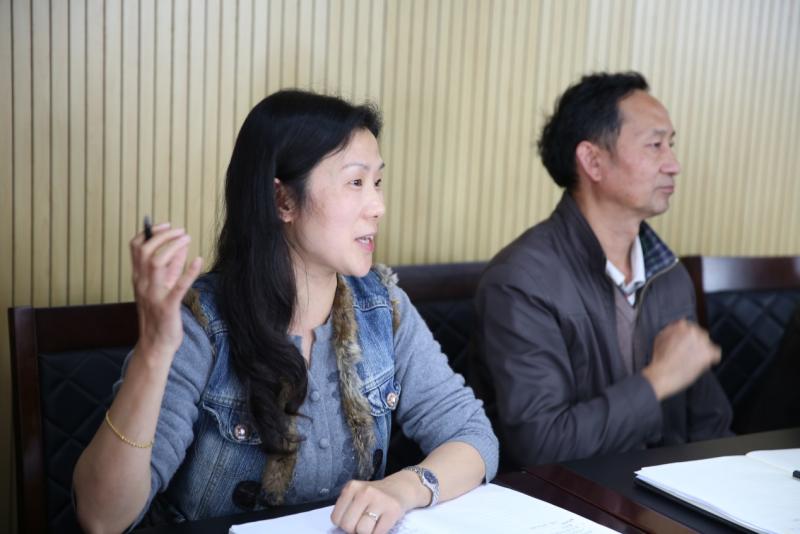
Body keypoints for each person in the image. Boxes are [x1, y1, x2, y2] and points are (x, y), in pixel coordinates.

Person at [73, 90, 498, 534]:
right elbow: (102, 518)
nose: (378, 206)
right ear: (283, 202)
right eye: (356, 182)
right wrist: (154, 351)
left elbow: (473, 436)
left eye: (377, 182)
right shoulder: (201, 324)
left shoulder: (382, 306)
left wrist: (404, 488)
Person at [474, 72, 732, 468]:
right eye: (655, 145)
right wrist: (658, 380)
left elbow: (712, 426)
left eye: (671, 144)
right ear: (593, 161)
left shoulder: (670, 275)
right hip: (565, 499)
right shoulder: (519, 281)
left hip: (665, 492)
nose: (674, 164)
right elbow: (541, 446)